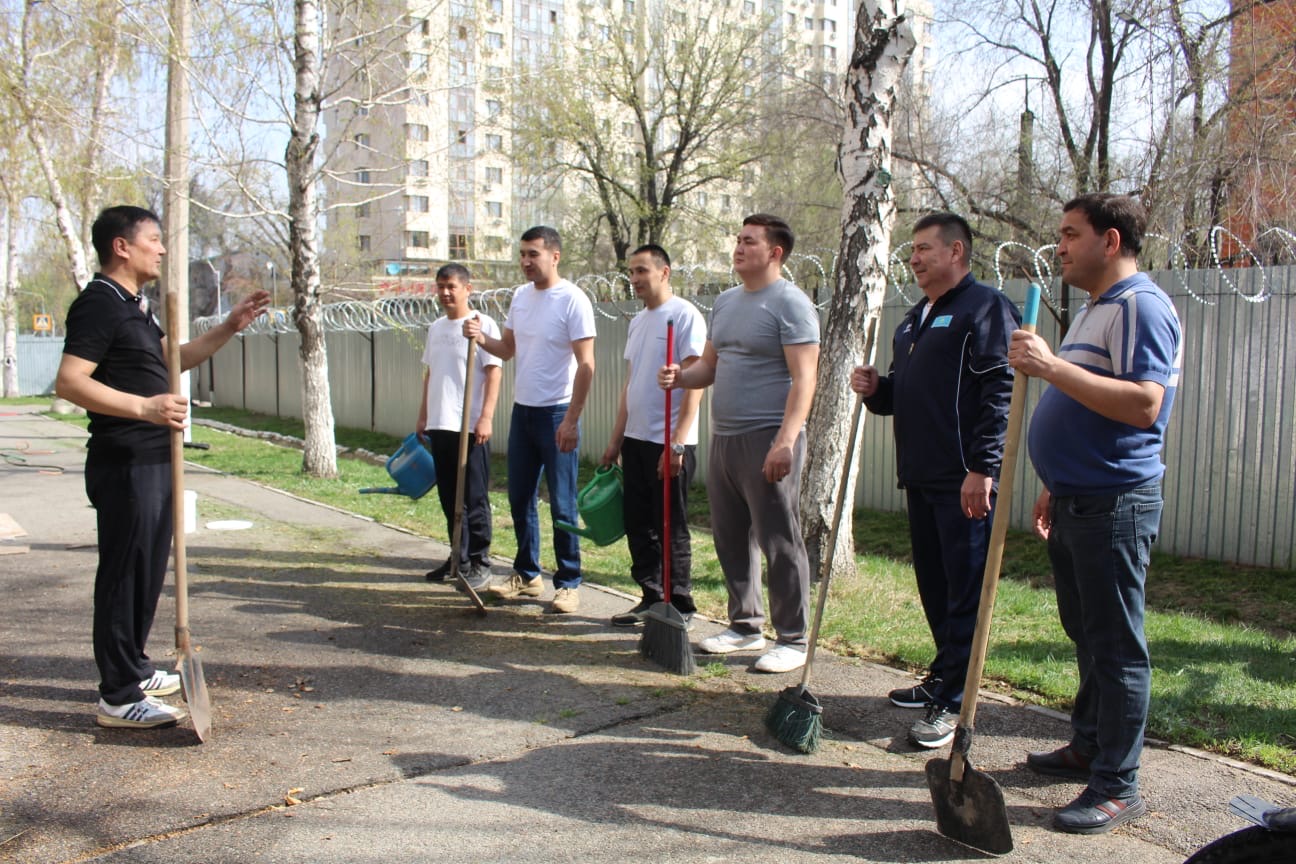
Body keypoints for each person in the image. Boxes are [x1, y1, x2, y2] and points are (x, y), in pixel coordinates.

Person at [55, 205, 269, 729]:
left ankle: (134, 666)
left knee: (147, 570)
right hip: (124, 460)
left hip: (154, 457)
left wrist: (228, 327)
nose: (164, 248)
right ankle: (118, 695)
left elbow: (169, 358)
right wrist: (145, 407)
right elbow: (70, 381)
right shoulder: (99, 304)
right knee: (125, 573)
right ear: (121, 247)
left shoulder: (134, 304)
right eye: (154, 239)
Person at [1009, 193, 1181, 835]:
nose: (1060, 246)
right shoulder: (1096, 310)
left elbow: (1143, 405)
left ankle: (1117, 783)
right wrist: (1055, 479)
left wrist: (1050, 365)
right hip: (1077, 496)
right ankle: (1088, 746)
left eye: (1070, 234)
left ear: (1110, 242)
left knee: (1116, 646)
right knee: (1087, 633)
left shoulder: (1142, 306)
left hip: (1115, 503)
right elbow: (1086, 405)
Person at [849, 213, 1019, 749]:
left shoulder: (985, 308)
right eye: (911, 252)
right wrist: (878, 388)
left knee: (965, 588)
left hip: (964, 479)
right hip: (920, 476)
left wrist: (982, 469)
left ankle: (956, 700)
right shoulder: (912, 320)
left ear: (957, 252)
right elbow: (903, 396)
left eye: (924, 249)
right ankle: (944, 676)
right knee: (935, 585)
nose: (914, 260)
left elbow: (998, 395)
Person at [659, 214, 819, 674]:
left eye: (750, 241)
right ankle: (746, 625)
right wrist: (680, 377)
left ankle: (792, 637)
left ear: (775, 252)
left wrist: (786, 440)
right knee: (730, 537)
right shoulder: (726, 302)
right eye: (738, 239)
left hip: (769, 437)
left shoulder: (791, 303)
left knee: (778, 538)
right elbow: (708, 367)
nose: (739, 247)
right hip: (724, 437)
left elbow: (805, 379)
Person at [464, 226, 596, 614]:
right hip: (523, 411)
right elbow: (507, 349)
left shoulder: (573, 300)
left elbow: (587, 365)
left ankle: (569, 582)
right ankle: (527, 574)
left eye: (533, 254)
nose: (525, 261)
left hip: (557, 412)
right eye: (522, 254)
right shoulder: (520, 298)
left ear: (554, 256)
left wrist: (571, 420)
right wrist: (480, 336)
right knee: (519, 498)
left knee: (562, 503)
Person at [599, 245, 706, 627]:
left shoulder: (684, 315)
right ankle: (650, 596)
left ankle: (680, 603)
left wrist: (676, 442)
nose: (634, 279)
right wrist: (616, 439)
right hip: (636, 438)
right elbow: (632, 383)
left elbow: (695, 383)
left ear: (664, 272)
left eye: (642, 270)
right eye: (631, 271)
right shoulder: (638, 321)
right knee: (639, 521)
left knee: (670, 524)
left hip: (670, 441)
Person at [417, 263, 502, 592]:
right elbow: (430, 373)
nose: (445, 292)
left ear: (468, 288)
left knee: (474, 495)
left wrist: (486, 416)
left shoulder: (480, 324)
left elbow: (494, 371)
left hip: (468, 424)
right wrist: (423, 414)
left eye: (451, 286)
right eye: (440, 286)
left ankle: (479, 559)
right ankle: (459, 554)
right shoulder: (437, 327)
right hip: (440, 423)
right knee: (448, 494)